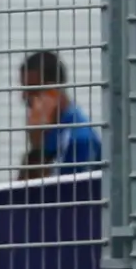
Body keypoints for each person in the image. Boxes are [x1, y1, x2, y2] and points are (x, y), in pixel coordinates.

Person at [18, 50, 103, 180]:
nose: (24, 98)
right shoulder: (52, 131)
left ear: (52, 93)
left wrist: (38, 143)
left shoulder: (78, 139)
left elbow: (58, 195)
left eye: (31, 91)